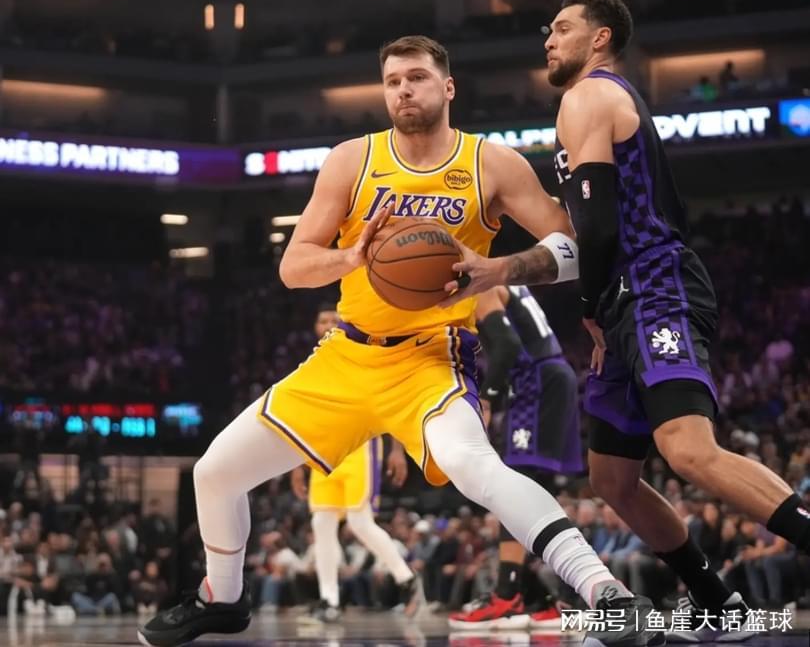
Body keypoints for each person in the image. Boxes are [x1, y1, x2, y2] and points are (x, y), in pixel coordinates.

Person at [139, 34, 657, 647]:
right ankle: (221, 599)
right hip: (346, 355)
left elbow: (574, 244)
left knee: (474, 466)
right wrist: (351, 257)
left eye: (416, 77)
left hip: (431, 356)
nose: (403, 90)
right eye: (392, 81)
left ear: (448, 87)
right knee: (215, 472)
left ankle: (606, 593)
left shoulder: (492, 164)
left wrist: (499, 270)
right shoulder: (351, 160)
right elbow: (293, 266)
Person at [447, 0, 810, 643]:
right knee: (612, 477)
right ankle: (718, 602)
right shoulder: (593, 100)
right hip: (625, 300)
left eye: (562, 28)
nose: (548, 39)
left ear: (600, 38)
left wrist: (588, 307)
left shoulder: (588, 96)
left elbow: (596, 224)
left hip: (652, 286)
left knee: (688, 449)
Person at [449, 285, 582, 631]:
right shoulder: (509, 281)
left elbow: (507, 344)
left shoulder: (481, 285)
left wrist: (487, 398)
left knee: (516, 488)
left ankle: (508, 596)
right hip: (548, 377)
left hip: (535, 382)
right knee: (534, 491)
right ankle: (543, 597)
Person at [290, 303, 419, 622]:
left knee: (360, 523)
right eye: (322, 320)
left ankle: (406, 578)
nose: (328, 324)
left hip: (360, 449)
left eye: (333, 319)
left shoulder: (364, 352)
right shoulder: (311, 366)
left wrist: (397, 450)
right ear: (315, 328)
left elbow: (388, 402)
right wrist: (295, 464)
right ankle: (329, 600)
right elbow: (301, 417)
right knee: (321, 525)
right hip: (324, 453)